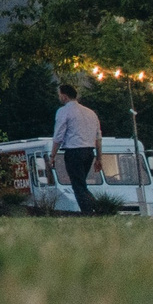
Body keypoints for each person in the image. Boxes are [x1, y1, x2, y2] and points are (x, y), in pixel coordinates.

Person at [53, 82, 104, 214]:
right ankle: (97, 209)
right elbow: (98, 137)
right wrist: (99, 158)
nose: (59, 97)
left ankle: (90, 211)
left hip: (74, 151)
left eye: (59, 95)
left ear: (64, 96)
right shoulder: (90, 113)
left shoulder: (64, 111)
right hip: (89, 151)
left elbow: (58, 135)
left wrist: (52, 156)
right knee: (81, 183)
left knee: (78, 185)